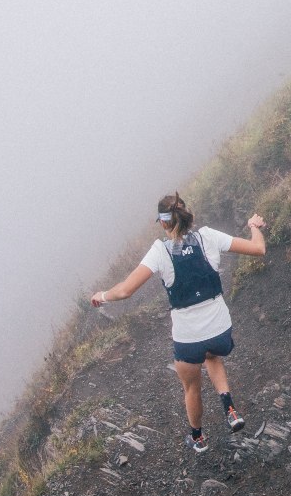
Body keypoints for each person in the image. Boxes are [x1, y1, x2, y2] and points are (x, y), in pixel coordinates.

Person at [91, 193, 266, 453]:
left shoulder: (160, 251)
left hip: (188, 338)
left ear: (163, 223)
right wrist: (254, 227)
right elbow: (258, 249)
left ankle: (198, 438)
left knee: (192, 387)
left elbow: (126, 291)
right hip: (219, 329)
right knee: (214, 355)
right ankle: (229, 408)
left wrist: (101, 296)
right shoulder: (208, 236)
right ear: (187, 215)